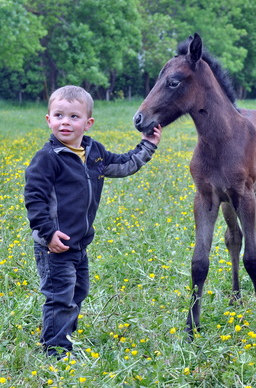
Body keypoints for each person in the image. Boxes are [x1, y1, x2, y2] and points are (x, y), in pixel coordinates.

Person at [24, 85, 161, 358]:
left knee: (78, 291)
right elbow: (34, 199)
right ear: (48, 119)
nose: (65, 122)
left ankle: (64, 335)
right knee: (60, 297)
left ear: (88, 123)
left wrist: (148, 145)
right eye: (59, 115)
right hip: (55, 244)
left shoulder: (93, 152)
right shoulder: (47, 159)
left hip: (79, 243)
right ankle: (55, 352)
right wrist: (48, 233)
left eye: (74, 117)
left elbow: (124, 164)